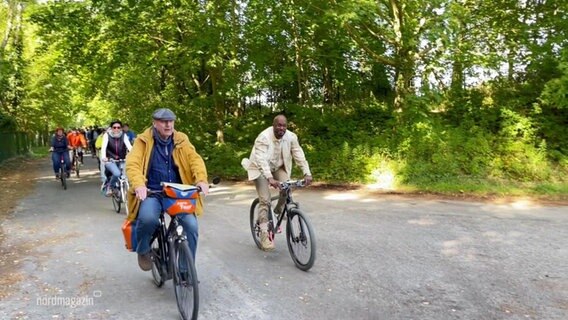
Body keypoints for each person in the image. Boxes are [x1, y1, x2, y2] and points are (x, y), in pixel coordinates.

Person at [125, 108, 209, 271]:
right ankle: (143, 250)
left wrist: (201, 179)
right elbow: (133, 164)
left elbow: (195, 160)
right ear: (154, 123)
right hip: (152, 192)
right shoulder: (143, 140)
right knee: (148, 219)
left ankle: (185, 271)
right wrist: (139, 185)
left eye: (171, 121)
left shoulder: (181, 139)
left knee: (191, 226)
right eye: (164, 121)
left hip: (177, 194)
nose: (168, 124)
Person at [241, 115, 312, 251]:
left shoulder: (291, 137)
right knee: (265, 200)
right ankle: (264, 235)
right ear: (273, 125)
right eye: (279, 125)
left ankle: (279, 210)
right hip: (259, 169)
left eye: (284, 125)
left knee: (287, 187)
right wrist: (269, 178)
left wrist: (307, 172)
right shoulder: (263, 137)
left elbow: (298, 154)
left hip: (278, 167)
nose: (281, 128)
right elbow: (261, 160)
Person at [100, 120, 133, 196]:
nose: (116, 129)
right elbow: (104, 148)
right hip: (110, 160)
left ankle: (123, 190)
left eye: (118, 127)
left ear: (121, 128)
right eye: (114, 127)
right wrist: (104, 157)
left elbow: (129, 146)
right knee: (117, 173)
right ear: (111, 128)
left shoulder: (123, 135)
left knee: (127, 175)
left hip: (122, 159)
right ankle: (110, 187)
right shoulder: (107, 135)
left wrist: (134, 154)